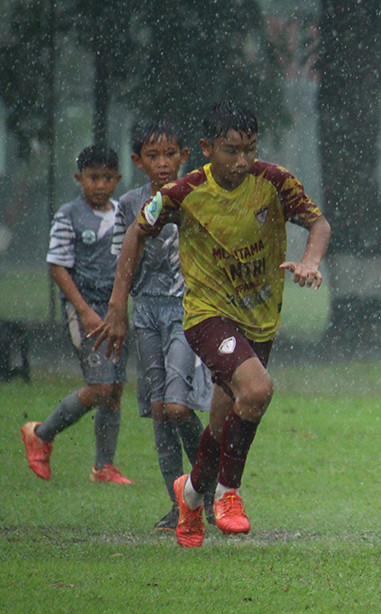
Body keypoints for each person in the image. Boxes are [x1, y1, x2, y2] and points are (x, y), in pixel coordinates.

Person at [93, 101, 331, 548]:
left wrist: (310, 260)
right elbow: (136, 232)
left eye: (249, 149)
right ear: (206, 148)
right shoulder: (185, 192)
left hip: (259, 319)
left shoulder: (274, 181)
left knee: (224, 426)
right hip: (207, 315)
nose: (242, 161)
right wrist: (117, 305)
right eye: (230, 150)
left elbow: (318, 224)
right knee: (257, 390)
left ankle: (190, 494)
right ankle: (228, 493)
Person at [114, 120, 215, 531]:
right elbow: (124, 256)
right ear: (138, 161)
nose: (162, 163)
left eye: (170, 154)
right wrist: (117, 305)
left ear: (184, 156)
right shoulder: (129, 204)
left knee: (177, 406)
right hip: (145, 311)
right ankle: (178, 505)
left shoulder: (197, 195)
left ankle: (205, 487)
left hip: (187, 308)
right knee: (159, 411)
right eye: (153, 156)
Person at [21, 144, 133, 484]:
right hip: (86, 311)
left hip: (116, 311)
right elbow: (57, 266)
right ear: (79, 178)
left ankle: (104, 467)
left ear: (117, 179)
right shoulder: (68, 215)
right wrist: (84, 311)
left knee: (114, 389)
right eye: (92, 177)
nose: (99, 185)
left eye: (106, 178)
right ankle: (41, 433)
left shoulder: (124, 215)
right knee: (99, 386)